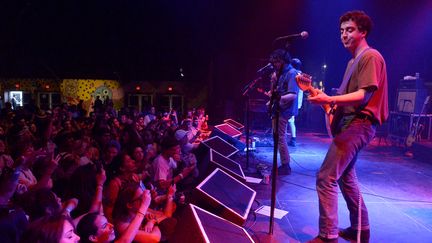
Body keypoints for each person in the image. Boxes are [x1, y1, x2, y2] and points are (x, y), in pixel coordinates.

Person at [306, 10, 388, 243]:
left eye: (350, 30)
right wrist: (320, 96)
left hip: (359, 124)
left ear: (363, 32)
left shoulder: (370, 57)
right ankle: (360, 230)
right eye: (342, 31)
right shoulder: (353, 61)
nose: (344, 35)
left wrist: (329, 100)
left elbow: (362, 96)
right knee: (346, 177)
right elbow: (343, 99)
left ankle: (328, 236)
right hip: (352, 124)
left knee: (326, 177)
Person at [268, 49, 299, 175]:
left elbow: (293, 94)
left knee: (280, 137)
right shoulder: (279, 73)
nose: (275, 64)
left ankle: (286, 165)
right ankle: (282, 163)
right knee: (277, 136)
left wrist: (279, 98)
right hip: (279, 108)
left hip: (285, 109)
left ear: (283, 61)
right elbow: (274, 91)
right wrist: (273, 81)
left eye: (277, 62)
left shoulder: (292, 73)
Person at [288, 58, 304, 147]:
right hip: (297, 102)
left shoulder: (293, 74)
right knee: (291, 120)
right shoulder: (301, 75)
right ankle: (292, 138)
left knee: (289, 120)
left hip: (292, 100)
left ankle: (293, 139)